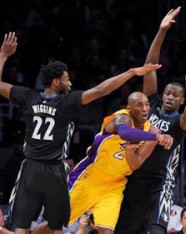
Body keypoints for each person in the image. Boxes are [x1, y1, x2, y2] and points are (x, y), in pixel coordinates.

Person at [0, 32, 161, 234]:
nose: (71, 83)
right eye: (67, 79)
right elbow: (102, 90)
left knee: (33, 227)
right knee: (55, 225)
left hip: (34, 166)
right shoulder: (68, 102)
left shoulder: (28, 96)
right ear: (57, 82)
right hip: (63, 170)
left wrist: (3, 56)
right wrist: (130, 73)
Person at [115, 6, 186, 234]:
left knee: (156, 230)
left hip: (160, 182)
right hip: (133, 176)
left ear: (181, 100)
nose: (170, 97)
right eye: (167, 93)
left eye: (176, 95)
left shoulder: (178, 122)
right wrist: (161, 31)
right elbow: (149, 68)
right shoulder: (151, 105)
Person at [67, 92, 173, 234]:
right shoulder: (121, 117)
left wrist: (130, 150)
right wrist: (157, 137)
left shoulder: (153, 130)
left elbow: (136, 164)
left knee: (107, 230)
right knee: (55, 223)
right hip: (90, 176)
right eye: (139, 105)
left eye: (147, 104)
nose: (145, 108)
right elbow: (125, 133)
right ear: (129, 108)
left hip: (114, 184)